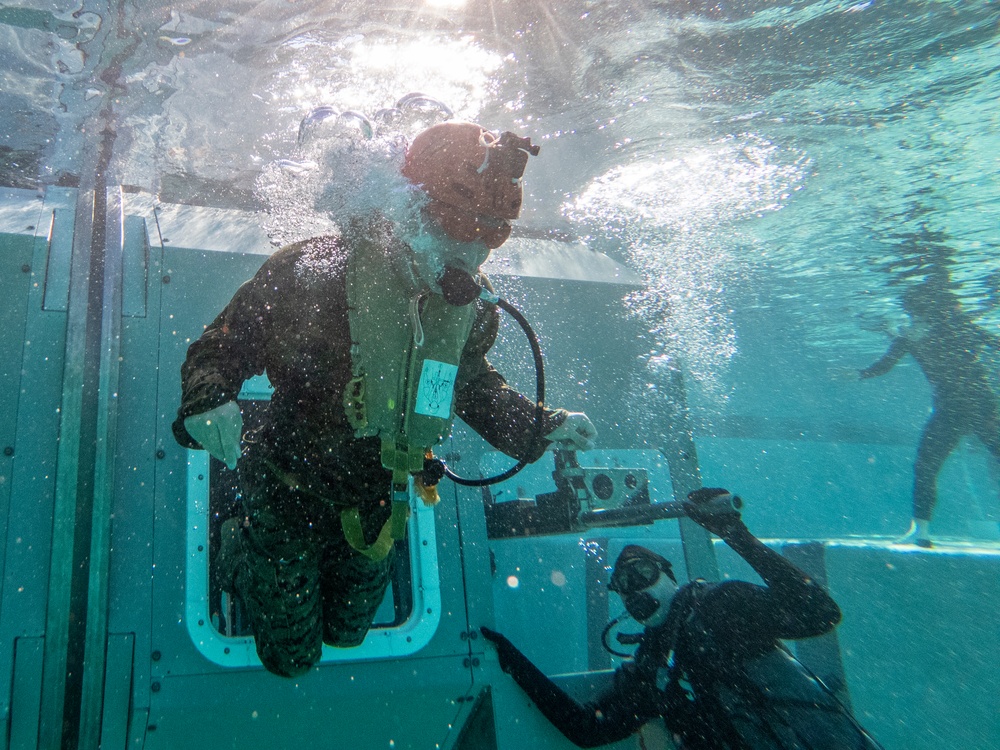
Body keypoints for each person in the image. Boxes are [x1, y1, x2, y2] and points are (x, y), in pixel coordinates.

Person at [173, 120, 598, 677]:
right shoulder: (310, 272)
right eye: (458, 233)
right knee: (290, 659)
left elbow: (470, 384)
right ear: (412, 213)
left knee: (347, 635)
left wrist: (541, 426)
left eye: (487, 240)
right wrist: (208, 400)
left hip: (381, 501)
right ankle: (237, 545)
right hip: (287, 490)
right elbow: (222, 344)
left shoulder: (470, 315)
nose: (469, 257)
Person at [482, 488, 882, 749]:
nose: (633, 589)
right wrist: (510, 657)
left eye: (642, 574)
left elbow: (820, 613)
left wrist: (733, 532)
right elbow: (586, 728)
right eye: (622, 586)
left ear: (671, 575)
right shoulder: (652, 671)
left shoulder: (721, 607)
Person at [860, 283, 1000, 548]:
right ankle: (920, 532)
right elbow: (994, 343)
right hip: (975, 404)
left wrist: (860, 373)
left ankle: (921, 531)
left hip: (960, 407)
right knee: (926, 467)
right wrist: (861, 372)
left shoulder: (916, 333)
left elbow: (885, 365)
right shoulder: (945, 328)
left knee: (926, 467)